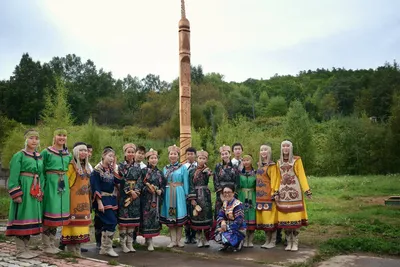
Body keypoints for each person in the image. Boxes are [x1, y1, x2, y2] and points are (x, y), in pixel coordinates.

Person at [6, 129, 44, 259]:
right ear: (26, 140)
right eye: (31, 138)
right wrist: (16, 193)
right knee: (21, 217)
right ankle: (20, 250)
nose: (34, 141)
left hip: (34, 189)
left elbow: (41, 174)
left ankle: (26, 248)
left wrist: (40, 190)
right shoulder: (19, 155)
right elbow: (13, 176)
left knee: (30, 219)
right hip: (24, 188)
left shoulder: (39, 156)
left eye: (36, 138)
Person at [275, 140, 312, 252]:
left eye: (287, 146)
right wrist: (275, 192)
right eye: (283, 146)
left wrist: (307, 190)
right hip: (282, 193)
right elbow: (277, 178)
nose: (285, 148)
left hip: (295, 192)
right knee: (285, 218)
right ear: (281, 148)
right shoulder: (278, 162)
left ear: (291, 148)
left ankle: (295, 242)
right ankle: (288, 241)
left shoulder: (297, 160)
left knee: (295, 217)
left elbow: (301, 175)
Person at [41, 128, 72, 254]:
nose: (62, 137)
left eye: (64, 135)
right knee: (50, 212)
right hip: (51, 183)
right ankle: (45, 244)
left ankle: (52, 243)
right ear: (54, 137)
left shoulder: (67, 154)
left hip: (62, 183)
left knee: (58, 215)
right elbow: (40, 170)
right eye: (59, 135)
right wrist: (43, 186)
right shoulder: (46, 152)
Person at [60, 142, 91, 257]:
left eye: (85, 150)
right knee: (72, 223)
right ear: (75, 152)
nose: (83, 153)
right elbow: (65, 182)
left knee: (82, 224)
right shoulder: (71, 165)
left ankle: (78, 248)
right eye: (81, 150)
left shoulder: (86, 166)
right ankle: (71, 249)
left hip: (85, 199)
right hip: (73, 198)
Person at [91, 146, 122, 257]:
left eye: (113, 157)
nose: (111, 159)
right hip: (103, 199)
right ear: (103, 155)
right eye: (109, 156)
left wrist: (114, 168)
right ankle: (107, 248)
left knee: (109, 223)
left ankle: (104, 248)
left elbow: (118, 180)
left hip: (111, 199)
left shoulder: (110, 170)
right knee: (111, 222)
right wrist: (99, 202)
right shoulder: (97, 170)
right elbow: (95, 187)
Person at [137, 148, 167, 251]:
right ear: (148, 159)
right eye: (151, 158)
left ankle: (150, 240)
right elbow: (140, 185)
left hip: (156, 199)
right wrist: (147, 188)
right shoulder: (144, 171)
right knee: (146, 218)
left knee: (154, 218)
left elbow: (163, 185)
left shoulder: (160, 172)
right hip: (146, 199)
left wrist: (160, 191)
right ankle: (148, 240)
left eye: (155, 158)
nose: (154, 160)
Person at [160, 145, 189, 248]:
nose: (173, 156)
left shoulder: (183, 168)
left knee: (179, 217)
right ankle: (172, 240)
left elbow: (185, 181)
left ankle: (179, 240)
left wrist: (186, 195)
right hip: (169, 193)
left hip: (179, 193)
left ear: (178, 155)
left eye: (175, 154)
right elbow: (163, 183)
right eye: (171, 154)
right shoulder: (165, 168)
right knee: (171, 217)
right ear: (169, 156)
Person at [117, 145, 145, 253]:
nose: (130, 154)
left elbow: (140, 180)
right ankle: (123, 244)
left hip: (135, 197)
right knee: (124, 221)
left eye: (132, 152)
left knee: (132, 222)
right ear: (124, 153)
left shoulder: (138, 167)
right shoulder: (120, 166)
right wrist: (130, 191)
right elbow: (121, 179)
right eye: (128, 152)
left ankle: (130, 243)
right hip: (125, 195)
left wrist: (136, 192)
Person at [187, 150, 213, 248]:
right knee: (197, 215)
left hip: (205, 196)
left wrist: (207, 172)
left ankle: (206, 239)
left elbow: (210, 177)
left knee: (206, 216)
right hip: (196, 195)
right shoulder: (192, 171)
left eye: (204, 158)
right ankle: (199, 239)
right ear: (197, 159)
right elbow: (190, 185)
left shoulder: (207, 170)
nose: (202, 160)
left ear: (206, 159)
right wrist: (192, 198)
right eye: (200, 158)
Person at [256, 144, 279, 249]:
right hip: (260, 197)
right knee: (264, 220)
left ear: (269, 152)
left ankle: (273, 241)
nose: (263, 152)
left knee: (270, 219)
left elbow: (275, 179)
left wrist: (274, 193)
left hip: (269, 197)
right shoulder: (259, 165)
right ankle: (267, 240)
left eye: (265, 150)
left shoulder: (272, 166)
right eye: (261, 150)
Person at [215, 184, 246, 252]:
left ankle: (238, 243)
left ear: (233, 193)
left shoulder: (238, 205)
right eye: (225, 192)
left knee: (225, 235)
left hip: (238, 228)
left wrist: (227, 228)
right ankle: (226, 244)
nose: (227, 194)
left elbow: (239, 221)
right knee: (217, 231)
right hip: (228, 226)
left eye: (229, 192)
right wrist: (223, 222)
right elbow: (220, 215)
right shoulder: (225, 203)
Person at [213, 145, 240, 221]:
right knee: (220, 215)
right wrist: (221, 195)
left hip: (232, 194)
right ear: (221, 156)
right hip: (221, 195)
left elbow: (237, 182)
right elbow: (216, 180)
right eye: (222, 154)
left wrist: (232, 195)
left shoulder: (235, 167)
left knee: (232, 214)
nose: (225, 156)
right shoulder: (218, 166)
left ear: (230, 154)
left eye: (226, 154)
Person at [237, 154, 257, 248]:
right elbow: (237, 186)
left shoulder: (255, 173)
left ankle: (251, 239)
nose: (246, 162)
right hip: (242, 196)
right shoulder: (239, 173)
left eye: (247, 160)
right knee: (243, 215)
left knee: (252, 215)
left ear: (251, 161)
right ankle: (244, 239)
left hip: (252, 196)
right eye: (244, 160)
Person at [183, 147, 197, 244]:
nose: (190, 156)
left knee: (195, 214)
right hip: (186, 193)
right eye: (188, 154)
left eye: (192, 154)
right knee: (187, 214)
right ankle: (187, 235)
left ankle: (194, 235)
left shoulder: (199, 166)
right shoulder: (183, 167)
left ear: (195, 155)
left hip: (197, 193)